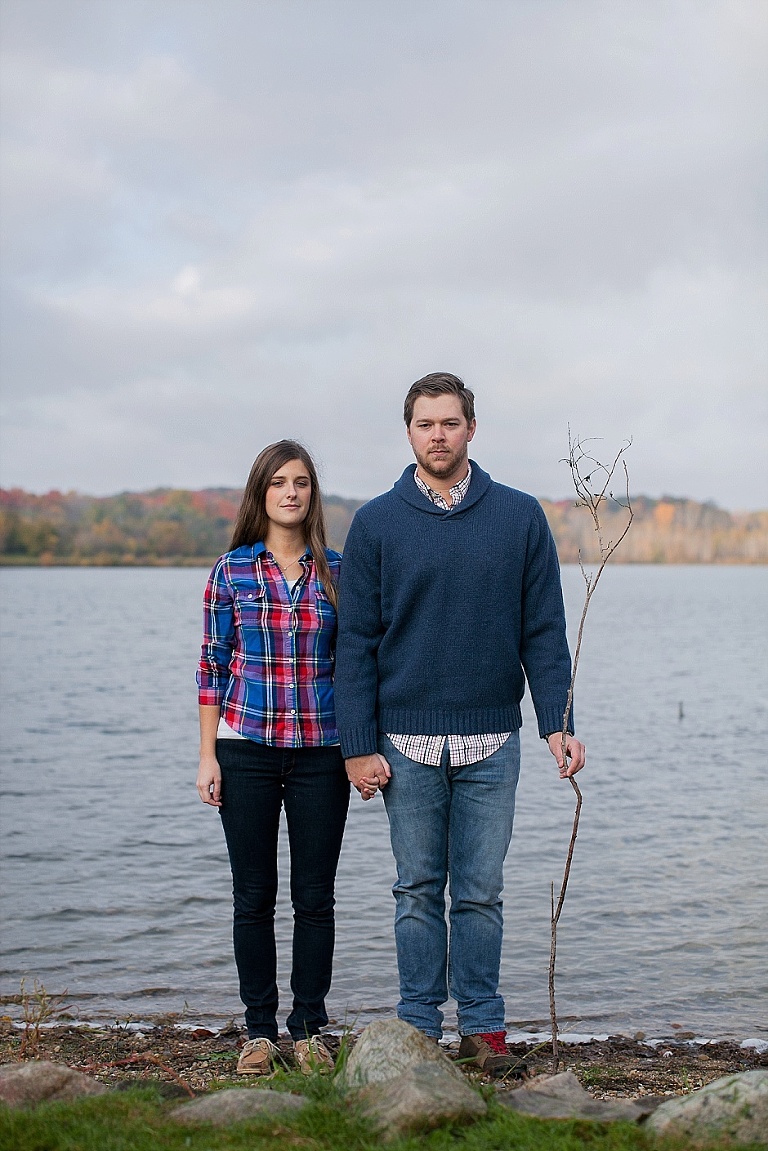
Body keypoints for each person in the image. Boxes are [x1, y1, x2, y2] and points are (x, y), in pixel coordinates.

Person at [334, 373, 585, 1076]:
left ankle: (481, 1026)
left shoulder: (519, 517)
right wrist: (357, 746)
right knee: (416, 887)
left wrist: (557, 723)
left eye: (450, 422)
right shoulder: (378, 524)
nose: (437, 434)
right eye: (425, 423)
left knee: (479, 889)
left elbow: (544, 630)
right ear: (409, 432)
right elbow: (355, 642)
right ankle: (418, 1024)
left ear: (471, 427)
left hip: (492, 740)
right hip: (404, 743)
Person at [196, 440, 350, 1077]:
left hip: (321, 753)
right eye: (279, 482)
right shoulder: (230, 571)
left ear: (313, 495)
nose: (291, 493)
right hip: (245, 751)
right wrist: (208, 756)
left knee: (315, 898)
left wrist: (362, 749)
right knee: (253, 896)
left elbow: (357, 665)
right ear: (261, 492)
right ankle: (259, 1032)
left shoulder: (338, 570)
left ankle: (310, 1029)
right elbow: (211, 666)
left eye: (303, 483)